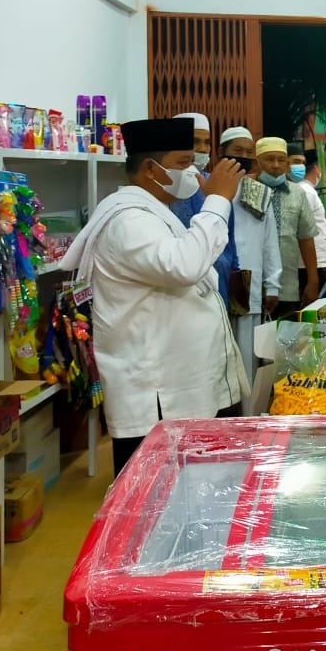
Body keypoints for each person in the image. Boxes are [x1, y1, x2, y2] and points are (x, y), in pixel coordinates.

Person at [58, 118, 248, 476]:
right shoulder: (128, 221)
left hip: (179, 390)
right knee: (156, 509)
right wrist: (219, 201)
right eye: (182, 163)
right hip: (157, 401)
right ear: (150, 169)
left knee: (189, 500)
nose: (193, 172)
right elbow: (185, 265)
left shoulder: (154, 213)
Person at [219, 126, 281, 400]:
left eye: (248, 152)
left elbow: (270, 242)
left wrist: (273, 285)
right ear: (222, 154)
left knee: (246, 360)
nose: (242, 157)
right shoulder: (209, 187)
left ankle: (247, 420)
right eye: (236, 151)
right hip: (217, 283)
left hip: (249, 283)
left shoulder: (259, 193)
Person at [170, 113, 238, 309]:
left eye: (207, 143)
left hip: (219, 281)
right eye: (195, 142)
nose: (202, 149)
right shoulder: (166, 185)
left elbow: (229, 238)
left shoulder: (217, 182)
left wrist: (234, 271)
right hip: (182, 282)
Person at [253, 136, 320, 317]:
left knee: (285, 340)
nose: (275, 165)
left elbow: (306, 238)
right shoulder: (248, 190)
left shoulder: (298, 193)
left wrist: (313, 281)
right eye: (269, 159)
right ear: (257, 162)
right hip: (252, 285)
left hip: (288, 284)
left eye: (281, 160)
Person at [289, 143, 326, 292]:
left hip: (312, 263)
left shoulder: (304, 190)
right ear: (316, 169)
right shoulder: (304, 190)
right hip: (310, 264)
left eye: (302, 163)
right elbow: (303, 233)